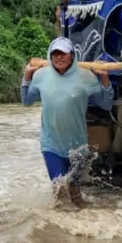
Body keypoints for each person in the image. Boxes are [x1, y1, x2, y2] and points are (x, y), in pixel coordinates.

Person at [21, 37, 113, 208]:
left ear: (72, 55)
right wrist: (27, 76)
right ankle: (58, 227)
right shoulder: (40, 75)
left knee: (75, 191)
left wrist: (105, 79)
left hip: (77, 145)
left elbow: (106, 104)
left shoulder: (86, 76)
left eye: (63, 53)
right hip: (51, 144)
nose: (59, 57)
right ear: (50, 55)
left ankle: (80, 225)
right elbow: (26, 101)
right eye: (55, 54)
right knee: (59, 189)